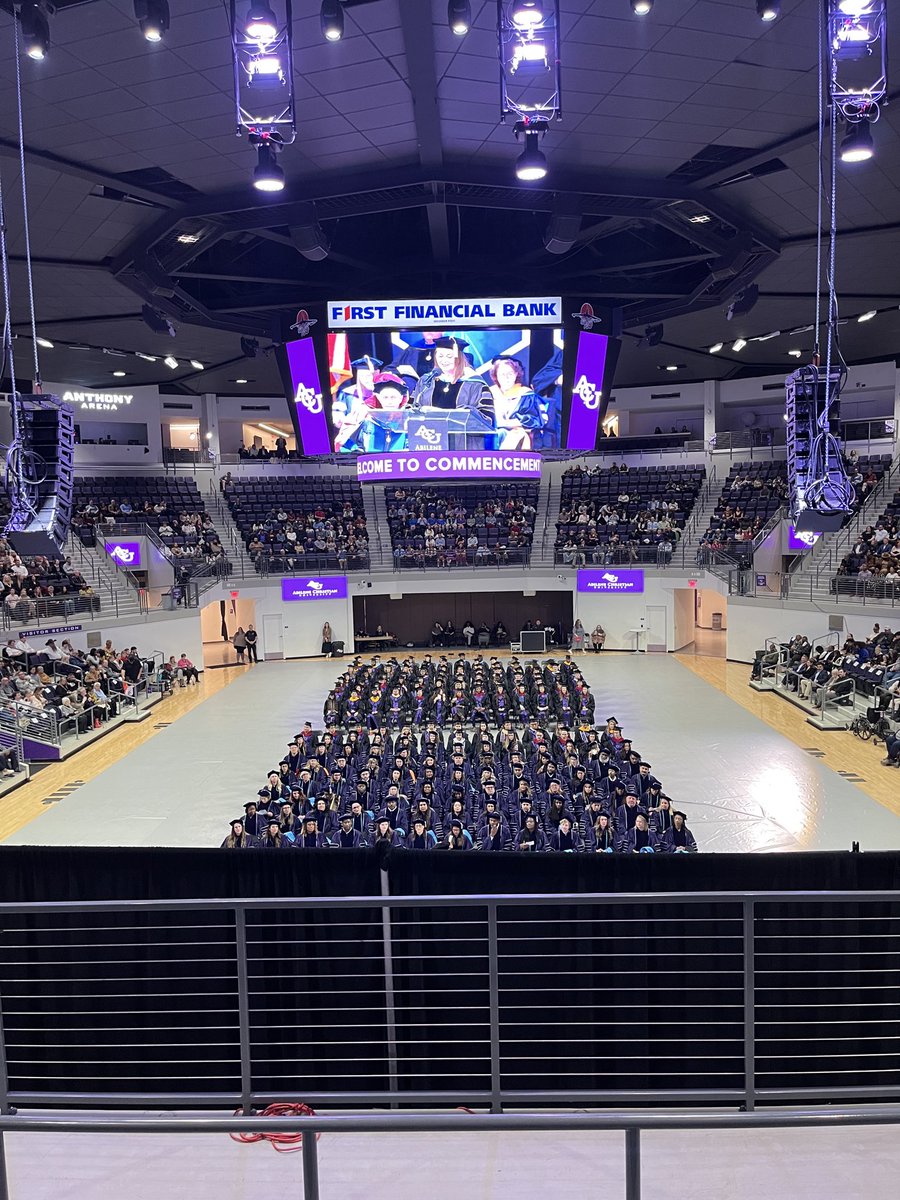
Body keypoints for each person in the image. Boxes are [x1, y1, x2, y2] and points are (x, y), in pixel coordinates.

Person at [411, 337, 494, 449]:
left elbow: (487, 420)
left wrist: (459, 413)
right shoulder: (426, 381)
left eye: (449, 356)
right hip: (428, 445)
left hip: (464, 448)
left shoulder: (476, 384)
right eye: (440, 356)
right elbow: (410, 409)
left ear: (459, 358)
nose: (444, 360)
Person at [488, 356, 544, 450]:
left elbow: (533, 420)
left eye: (510, 373)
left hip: (518, 434)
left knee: (504, 433)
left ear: (516, 374)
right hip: (493, 433)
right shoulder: (490, 393)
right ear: (496, 376)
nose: (507, 378)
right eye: (502, 374)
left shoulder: (525, 394)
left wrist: (504, 423)